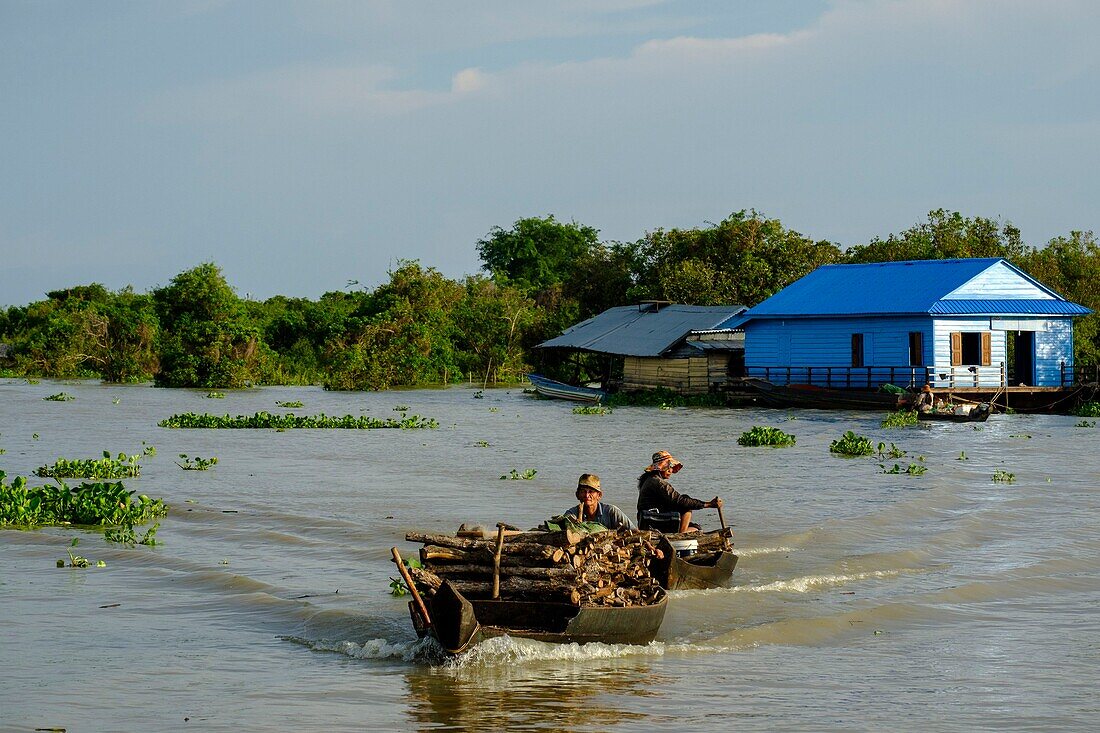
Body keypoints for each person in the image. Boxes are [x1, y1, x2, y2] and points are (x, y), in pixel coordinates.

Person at [637, 450, 722, 533]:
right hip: (653, 521)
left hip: (648, 520)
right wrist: (709, 504)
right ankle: (682, 533)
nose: (671, 471)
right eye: (669, 467)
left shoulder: (650, 479)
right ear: (661, 468)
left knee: (688, 509)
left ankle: (684, 530)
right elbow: (680, 501)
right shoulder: (658, 483)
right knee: (687, 507)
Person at [563, 473, 636, 530]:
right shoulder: (571, 515)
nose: (587, 495)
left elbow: (634, 531)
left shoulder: (612, 512)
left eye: (591, 491)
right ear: (577, 495)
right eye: (583, 491)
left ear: (599, 495)